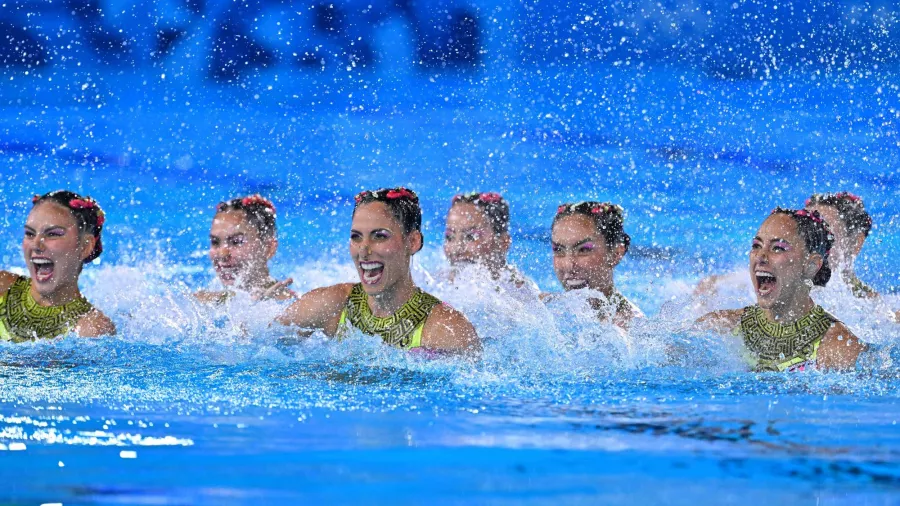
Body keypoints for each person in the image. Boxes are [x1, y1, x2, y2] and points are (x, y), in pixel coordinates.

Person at [276, 187, 480, 354]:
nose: (363, 250)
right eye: (356, 237)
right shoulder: (330, 305)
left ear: (413, 241)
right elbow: (258, 345)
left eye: (379, 236)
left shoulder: (447, 330)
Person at [697, 208, 864, 372]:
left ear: (811, 265)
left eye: (778, 248)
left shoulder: (839, 348)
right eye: (756, 246)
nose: (760, 257)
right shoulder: (720, 328)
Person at [0, 190, 115, 341]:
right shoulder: (3, 288)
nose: (36, 244)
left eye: (53, 234)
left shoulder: (91, 329)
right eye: (30, 233)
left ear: (85, 247)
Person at [546, 201, 641, 329]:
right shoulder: (546, 306)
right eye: (558, 249)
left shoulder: (630, 329)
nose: (568, 265)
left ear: (615, 254)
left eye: (583, 250)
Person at [196, 194, 295, 304]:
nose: (222, 254)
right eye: (215, 242)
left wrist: (260, 312)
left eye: (236, 242)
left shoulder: (289, 305)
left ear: (268, 248)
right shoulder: (203, 301)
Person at [442, 191, 537, 294]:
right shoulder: (437, 284)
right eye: (449, 236)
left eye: (471, 236)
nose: (457, 249)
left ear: (503, 242)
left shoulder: (520, 295)